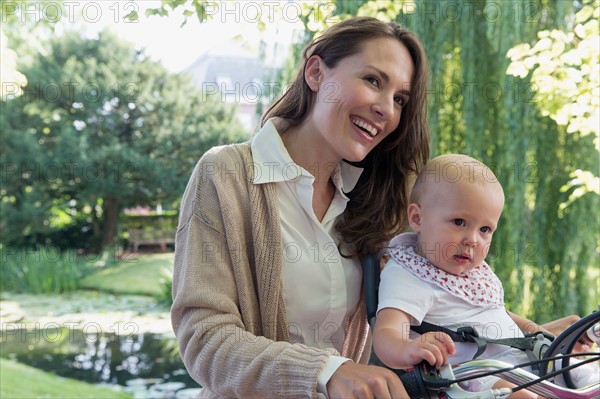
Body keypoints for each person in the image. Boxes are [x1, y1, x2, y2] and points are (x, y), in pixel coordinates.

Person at [171, 16, 431, 398]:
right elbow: (205, 340)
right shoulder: (225, 174)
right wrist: (327, 372)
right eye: (373, 80)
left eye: (399, 100)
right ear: (315, 72)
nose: (386, 110)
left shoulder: (370, 202)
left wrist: (518, 331)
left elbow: (417, 300)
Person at [373, 154, 597, 398]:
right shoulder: (408, 275)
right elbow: (386, 333)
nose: (472, 239)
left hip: (523, 364)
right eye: (459, 222)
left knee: (584, 375)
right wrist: (408, 349)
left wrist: (545, 337)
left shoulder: (472, 271)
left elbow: (500, 312)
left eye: (485, 229)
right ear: (417, 218)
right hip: (476, 379)